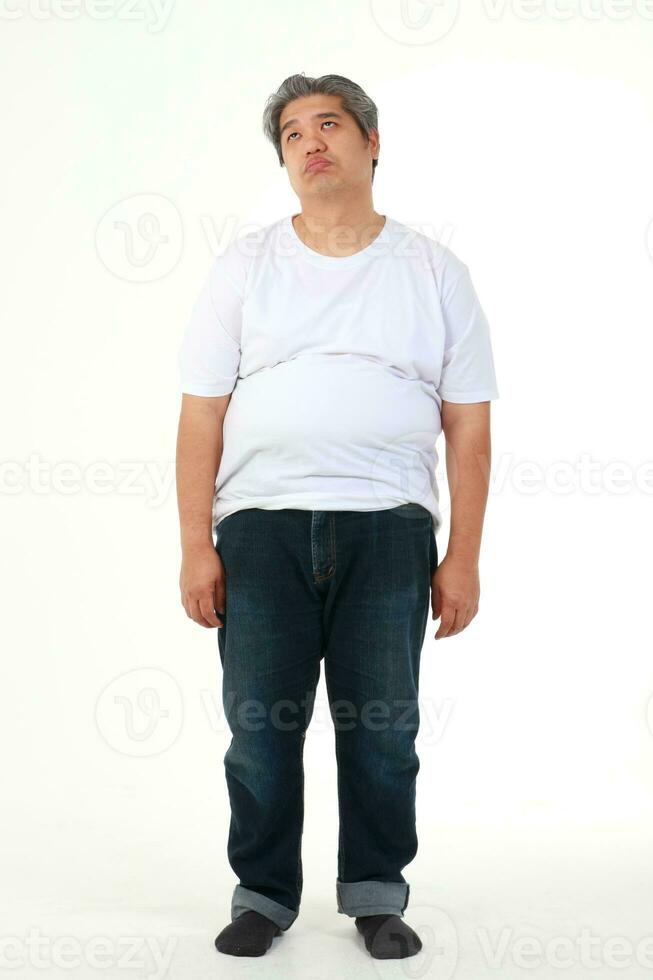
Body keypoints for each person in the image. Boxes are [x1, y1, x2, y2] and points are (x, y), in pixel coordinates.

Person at [175, 72, 499, 959]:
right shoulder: (245, 264)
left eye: (329, 124)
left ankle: (375, 894)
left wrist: (461, 556)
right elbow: (201, 410)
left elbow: (466, 425)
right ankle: (264, 896)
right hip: (260, 529)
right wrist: (194, 545)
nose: (310, 142)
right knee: (259, 727)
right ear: (282, 160)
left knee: (383, 729)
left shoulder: (433, 269)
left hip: (387, 529)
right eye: (290, 134)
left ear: (371, 141)